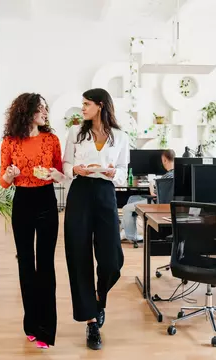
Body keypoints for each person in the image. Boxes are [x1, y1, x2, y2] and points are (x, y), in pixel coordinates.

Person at [63, 88, 129, 350]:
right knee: (78, 255)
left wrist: (114, 174)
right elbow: (66, 165)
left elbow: (124, 170)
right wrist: (75, 169)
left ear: (100, 105)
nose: (83, 108)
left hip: (105, 193)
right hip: (80, 192)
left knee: (112, 259)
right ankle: (91, 321)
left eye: (87, 104)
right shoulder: (75, 133)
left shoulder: (121, 136)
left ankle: (100, 297)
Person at [0, 93, 65, 349]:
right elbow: (4, 183)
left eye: (46, 109)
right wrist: (10, 173)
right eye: (41, 109)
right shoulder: (10, 141)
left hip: (46, 200)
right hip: (22, 202)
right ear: (27, 111)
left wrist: (54, 173)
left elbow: (60, 175)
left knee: (45, 265)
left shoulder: (51, 140)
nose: (45, 113)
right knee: (26, 263)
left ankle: (47, 330)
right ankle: (31, 324)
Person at [120, 149, 175, 242]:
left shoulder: (165, 178)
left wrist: (150, 183)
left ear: (165, 160)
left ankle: (132, 237)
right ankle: (126, 230)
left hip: (157, 204)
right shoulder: (175, 174)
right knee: (132, 198)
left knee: (126, 208)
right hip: (167, 204)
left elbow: (154, 194)